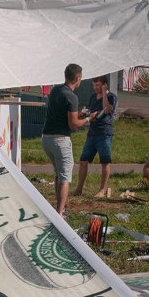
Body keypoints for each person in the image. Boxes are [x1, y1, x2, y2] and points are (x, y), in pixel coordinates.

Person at [40, 63, 91, 215]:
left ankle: (58, 209)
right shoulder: (72, 97)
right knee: (65, 177)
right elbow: (73, 124)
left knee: (58, 174)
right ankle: (60, 213)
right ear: (77, 78)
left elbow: (61, 113)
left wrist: (78, 115)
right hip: (61, 140)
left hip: (46, 138)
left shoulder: (55, 90)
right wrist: (88, 119)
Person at [72, 75, 117, 199]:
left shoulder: (111, 97)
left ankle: (102, 190)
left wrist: (104, 93)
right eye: (94, 85)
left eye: (98, 85)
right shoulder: (92, 97)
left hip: (104, 133)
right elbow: (91, 111)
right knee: (83, 161)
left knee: (105, 162)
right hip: (92, 133)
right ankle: (79, 189)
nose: (95, 88)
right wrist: (85, 114)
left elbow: (107, 109)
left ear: (104, 84)